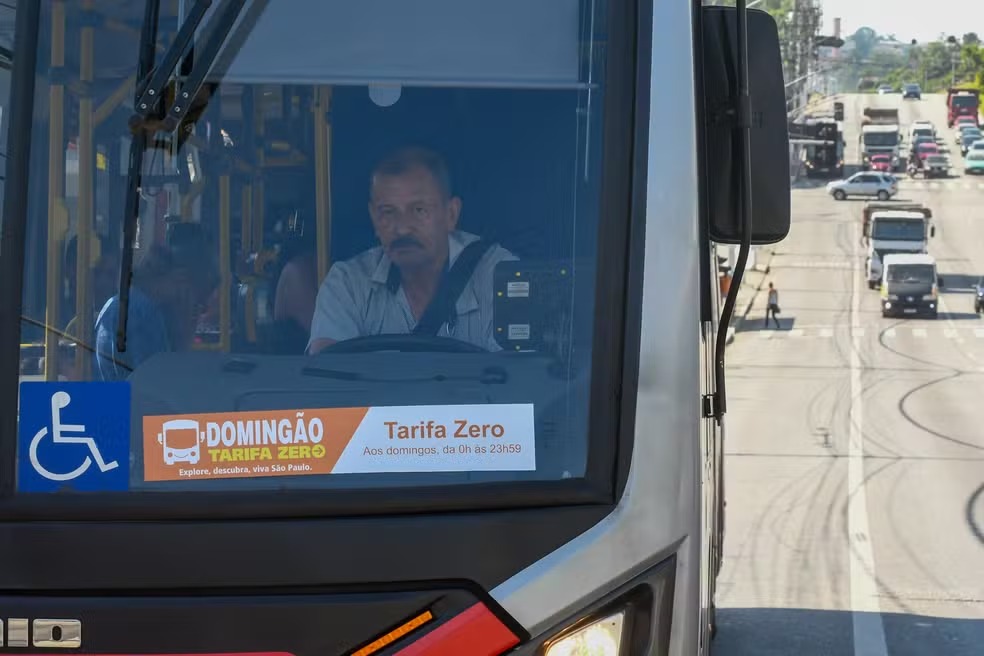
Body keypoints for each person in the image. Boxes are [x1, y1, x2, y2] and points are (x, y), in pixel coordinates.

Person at [307, 146, 516, 354]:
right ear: (373, 217)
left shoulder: (499, 276)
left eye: (419, 210)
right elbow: (326, 376)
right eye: (388, 212)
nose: (402, 228)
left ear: (451, 214)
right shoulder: (348, 284)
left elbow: (519, 378)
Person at [93, 222, 219, 380]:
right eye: (196, 305)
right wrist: (182, 338)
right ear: (182, 282)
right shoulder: (142, 314)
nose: (193, 311)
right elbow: (161, 389)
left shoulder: (126, 305)